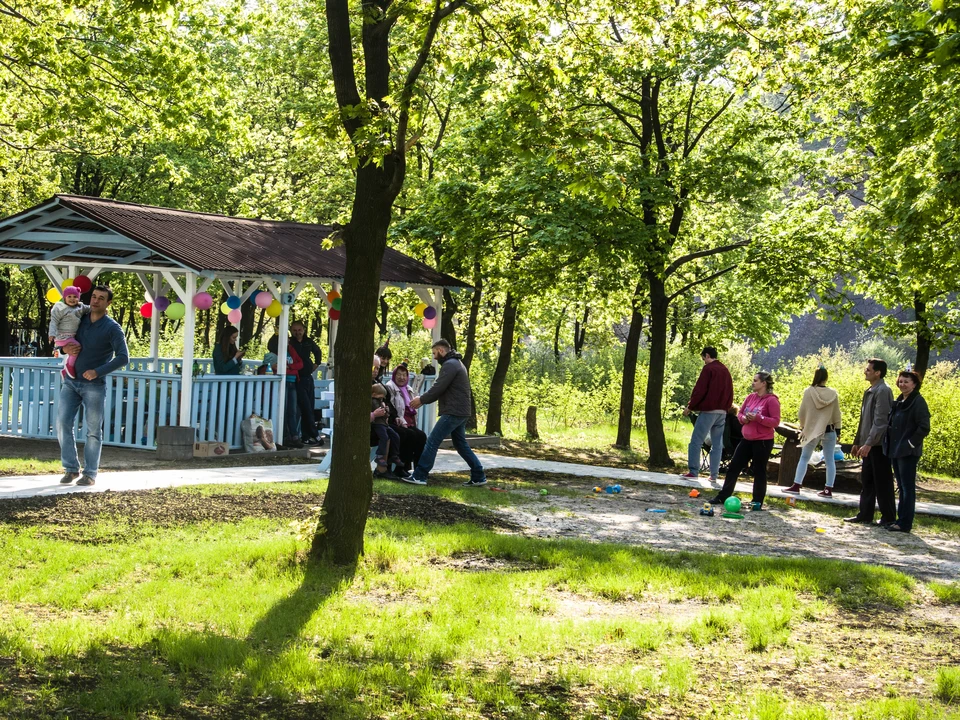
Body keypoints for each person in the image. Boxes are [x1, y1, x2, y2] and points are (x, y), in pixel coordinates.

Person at [57, 286, 129, 487]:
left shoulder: (112, 328)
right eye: (94, 297)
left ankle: (90, 474)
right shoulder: (79, 319)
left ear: (108, 303)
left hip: (94, 385)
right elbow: (61, 338)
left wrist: (98, 371)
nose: (95, 301)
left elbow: (124, 357)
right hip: (70, 381)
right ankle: (71, 469)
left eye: (101, 298)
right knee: (62, 423)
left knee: (93, 430)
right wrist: (63, 347)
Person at [408, 339, 486, 486]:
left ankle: (420, 476)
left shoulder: (450, 365)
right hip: (461, 411)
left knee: (432, 441)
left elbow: (438, 387)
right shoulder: (456, 363)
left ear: (441, 351)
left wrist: (421, 399)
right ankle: (478, 475)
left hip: (453, 411)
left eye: (434, 353)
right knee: (461, 444)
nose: (434, 357)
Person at [709, 372, 781, 510]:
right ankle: (723, 496)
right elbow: (740, 414)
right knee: (733, 467)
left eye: (755, 381)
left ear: (764, 383)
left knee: (759, 471)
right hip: (747, 439)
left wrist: (759, 418)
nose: (753, 383)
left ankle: (757, 502)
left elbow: (775, 421)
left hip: (763, 441)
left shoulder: (771, 400)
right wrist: (745, 419)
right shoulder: (750, 397)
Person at [845, 358, 896, 526]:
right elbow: (864, 420)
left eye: (868, 369)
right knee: (867, 480)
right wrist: (858, 441)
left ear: (878, 372)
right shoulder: (870, 390)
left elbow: (881, 421)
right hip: (867, 443)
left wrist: (869, 443)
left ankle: (888, 517)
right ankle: (865, 514)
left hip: (878, 445)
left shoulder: (883, 390)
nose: (865, 371)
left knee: (882, 481)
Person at [883, 369, 931, 533]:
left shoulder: (918, 402)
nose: (902, 384)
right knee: (901, 487)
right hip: (895, 450)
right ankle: (900, 520)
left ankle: (905, 523)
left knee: (907, 487)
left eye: (906, 381)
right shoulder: (900, 400)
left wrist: (910, 444)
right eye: (901, 381)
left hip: (907, 451)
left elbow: (924, 427)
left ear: (915, 384)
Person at [783, 365, 842, 498]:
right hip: (829, 430)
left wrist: (804, 426)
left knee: (804, 457)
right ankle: (828, 490)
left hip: (812, 431)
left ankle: (796, 486)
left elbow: (802, 412)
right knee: (829, 460)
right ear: (826, 378)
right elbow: (837, 414)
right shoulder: (833, 394)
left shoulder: (808, 391)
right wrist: (838, 431)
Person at [681, 347, 734, 482]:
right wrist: (727, 408)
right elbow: (730, 391)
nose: (703, 361)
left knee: (696, 441)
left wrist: (690, 407)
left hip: (709, 411)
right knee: (717, 444)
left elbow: (700, 389)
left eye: (703, 358)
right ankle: (713, 475)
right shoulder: (725, 370)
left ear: (708, 355)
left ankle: (693, 472)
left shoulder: (709, 369)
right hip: (722, 412)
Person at [386, 363, 428, 473]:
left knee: (422, 436)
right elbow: (393, 408)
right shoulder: (390, 387)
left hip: (409, 421)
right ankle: (403, 468)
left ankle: (419, 469)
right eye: (399, 375)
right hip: (397, 421)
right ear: (394, 375)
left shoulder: (408, 389)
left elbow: (412, 408)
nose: (401, 377)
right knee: (410, 435)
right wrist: (402, 420)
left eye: (404, 375)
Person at [264, 335, 304, 449]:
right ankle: (284, 436)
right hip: (283, 383)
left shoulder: (290, 350)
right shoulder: (273, 355)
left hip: (292, 382)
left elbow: (300, 364)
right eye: (286, 339)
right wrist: (290, 369)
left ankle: (294, 436)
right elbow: (276, 368)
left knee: (293, 410)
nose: (289, 341)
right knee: (284, 409)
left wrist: (290, 367)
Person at [288, 321, 323, 446]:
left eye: (299, 330)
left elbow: (318, 352)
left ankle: (306, 436)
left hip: (308, 377)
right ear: (291, 330)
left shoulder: (309, 341)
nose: (297, 333)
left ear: (304, 329)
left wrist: (316, 364)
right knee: (305, 408)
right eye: (294, 330)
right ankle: (315, 435)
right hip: (298, 379)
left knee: (309, 407)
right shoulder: (289, 343)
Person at [48, 285, 90, 380]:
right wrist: (52, 334)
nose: (72, 299)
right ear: (64, 298)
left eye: (75, 297)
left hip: (71, 336)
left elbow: (90, 308)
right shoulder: (61, 308)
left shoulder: (80, 307)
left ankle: (65, 370)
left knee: (75, 348)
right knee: (76, 347)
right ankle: (68, 366)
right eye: (69, 297)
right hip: (62, 336)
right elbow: (54, 321)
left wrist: (102, 310)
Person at [371, 383, 407, 479]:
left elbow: (386, 415)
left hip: (384, 424)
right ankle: (380, 456)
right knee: (385, 437)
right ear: (373, 394)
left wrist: (387, 411)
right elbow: (378, 412)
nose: (382, 398)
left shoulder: (380, 401)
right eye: (380, 396)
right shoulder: (373, 401)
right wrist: (382, 410)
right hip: (377, 425)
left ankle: (394, 456)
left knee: (396, 435)